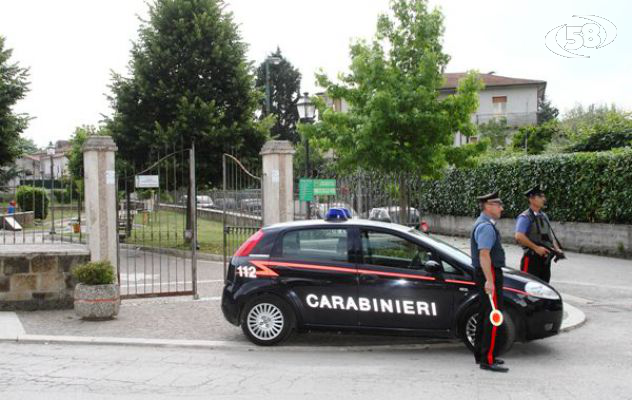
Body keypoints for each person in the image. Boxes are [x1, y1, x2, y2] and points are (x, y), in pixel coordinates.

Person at [470, 191, 509, 373]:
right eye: (498, 204)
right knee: (493, 316)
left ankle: (481, 354)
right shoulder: (485, 226)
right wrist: (490, 281)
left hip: (487, 272)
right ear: (488, 206)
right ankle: (488, 359)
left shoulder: (484, 224)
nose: (501, 207)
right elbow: (484, 254)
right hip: (490, 272)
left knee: (485, 314)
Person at [514, 186, 564, 283]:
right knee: (529, 287)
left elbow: (548, 235)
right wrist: (536, 248)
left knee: (544, 288)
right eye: (540, 197)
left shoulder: (544, 216)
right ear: (531, 199)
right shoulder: (525, 217)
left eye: (543, 197)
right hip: (532, 259)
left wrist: (556, 248)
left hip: (545, 260)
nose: (543, 199)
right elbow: (519, 236)